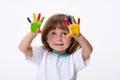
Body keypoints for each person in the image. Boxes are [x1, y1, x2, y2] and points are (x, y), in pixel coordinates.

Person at [19, 13, 93, 80]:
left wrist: (78, 36)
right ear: (46, 38)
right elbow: (23, 48)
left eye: (64, 33)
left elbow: (88, 51)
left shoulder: (73, 59)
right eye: (53, 33)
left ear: (72, 39)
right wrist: (32, 33)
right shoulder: (42, 55)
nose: (59, 38)